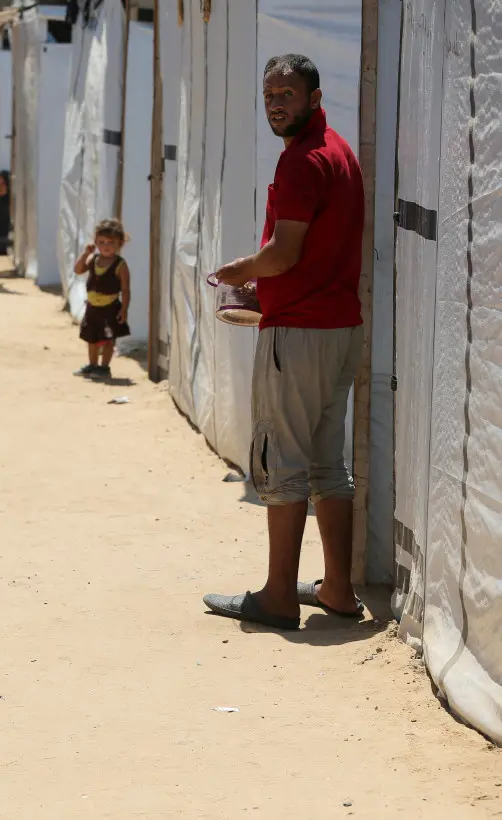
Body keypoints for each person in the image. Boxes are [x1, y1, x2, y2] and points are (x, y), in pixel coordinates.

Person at [203, 54, 365, 630]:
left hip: (298, 329)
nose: (275, 103)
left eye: (287, 94)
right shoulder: (339, 150)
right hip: (340, 326)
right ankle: (339, 589)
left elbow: (284, 255)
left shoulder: (303, 161)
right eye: (269, 94)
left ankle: (277, 596)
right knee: (327, 463)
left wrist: (237, 272)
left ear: (314, 97)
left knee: (281, 460)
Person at [72, 218, 131, 380]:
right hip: (92, 307)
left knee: (108, 339)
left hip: (110, 307)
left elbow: (125, 289)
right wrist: (85, 254)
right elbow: (78, 270)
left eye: (111, 242)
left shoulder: (120, 265)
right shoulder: (94, 260)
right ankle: (92, 365)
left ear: (120, 243)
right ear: (96, 243)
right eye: (102, 242)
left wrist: (124, 309)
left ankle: (104, 368)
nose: (106, 246)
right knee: (91, 337)